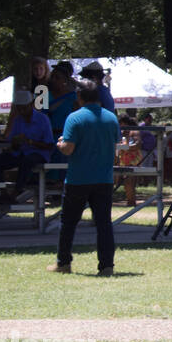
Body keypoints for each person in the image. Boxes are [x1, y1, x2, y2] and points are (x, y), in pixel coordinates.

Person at [49, 80, 120, 275]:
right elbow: (114, 147)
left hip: (78, 179)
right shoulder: (111, 118)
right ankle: (106, 266)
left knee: (69, 223)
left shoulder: (74, 118)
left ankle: (63, 263)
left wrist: (60, 144)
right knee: (104, 223)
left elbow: (68, 149)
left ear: (79, 97)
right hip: (104, 179)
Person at [0, 91, 54, 209]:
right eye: (19, 108)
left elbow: (49, 145)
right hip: (20, 152)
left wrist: (30, 142)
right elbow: (13, 146)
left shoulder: (42, 119)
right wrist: (15, 143)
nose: (22, 111)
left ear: (31, 104)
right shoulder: (18, 120)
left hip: (39, 154)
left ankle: (16, 193)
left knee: (27, 161)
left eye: (24, 108)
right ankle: (3, 193)